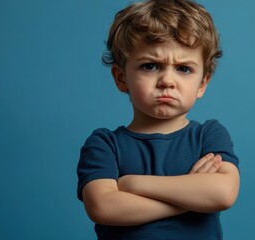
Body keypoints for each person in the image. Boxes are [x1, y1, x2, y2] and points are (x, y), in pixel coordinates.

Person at [77, 0, 240, 239]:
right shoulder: (104, 144)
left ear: (202, 83)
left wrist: (134, 184)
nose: (167, 81)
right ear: (121, 78)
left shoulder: (209, 135)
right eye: (151, 66)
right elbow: (104, 207)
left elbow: (223, 193)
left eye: (184, 69)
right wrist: (192, 196)